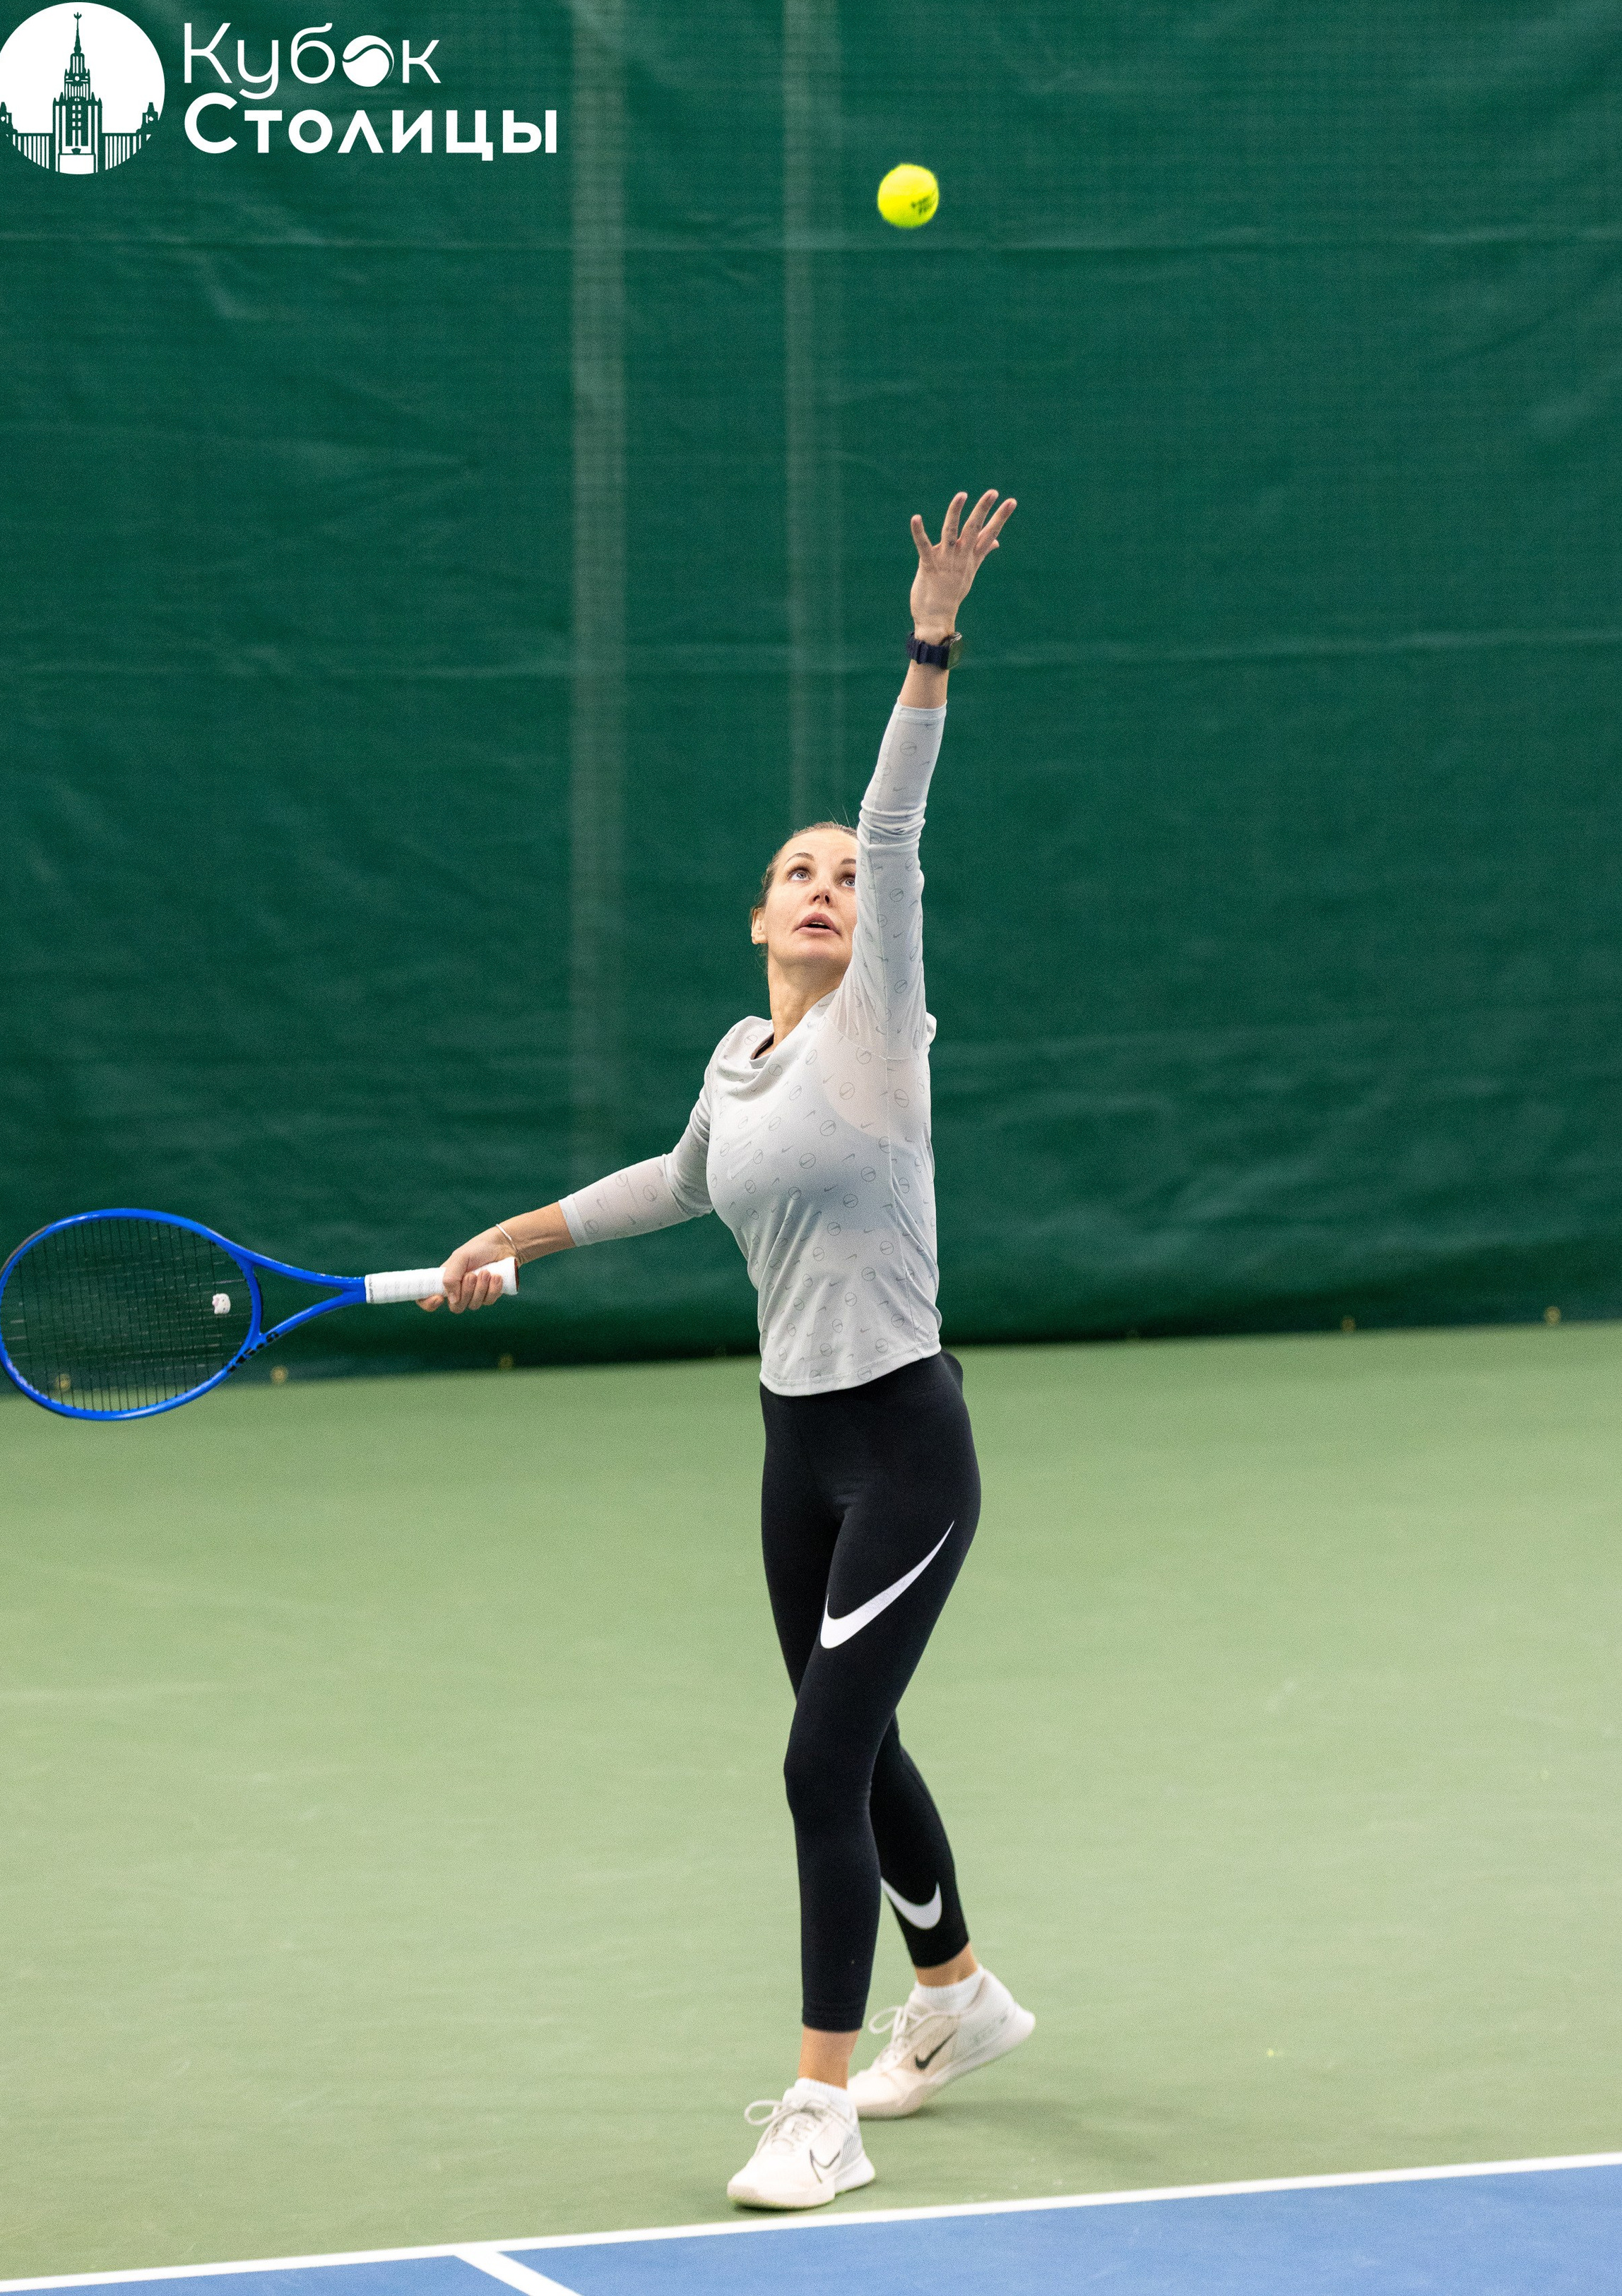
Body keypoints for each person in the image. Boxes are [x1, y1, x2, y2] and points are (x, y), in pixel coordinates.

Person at [424, 492, 1034, 2211]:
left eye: (841, 875)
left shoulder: (877, 1032)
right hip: (793, 1447)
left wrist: (927, 642)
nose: (829, 885)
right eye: (798, 874)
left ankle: (819, 2106)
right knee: (855, 1735)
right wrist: (506, 1238)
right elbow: (675, 1181)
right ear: (754, 919)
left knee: (816, 1761)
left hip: (901, 1441)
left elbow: (895, 822)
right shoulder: (741, 1063)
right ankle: (955, 1995)